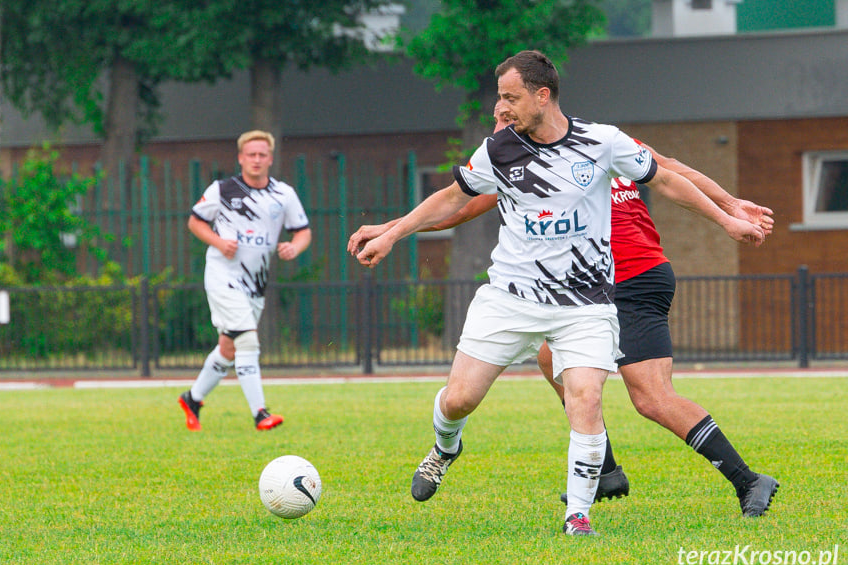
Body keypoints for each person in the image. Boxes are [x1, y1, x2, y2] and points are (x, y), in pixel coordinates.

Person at [352, 50, 765, 536]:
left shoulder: (603, 142)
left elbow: (668, 173)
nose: (498, 110)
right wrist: (393, 232)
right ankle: (450, 447)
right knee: (464, 398)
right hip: (511, 298)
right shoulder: (499, 151)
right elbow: (454, 200)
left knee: (595, 396)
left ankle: (580, 514)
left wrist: (727, 216)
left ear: (541, 96)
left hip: (594, 297)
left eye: (509, 98)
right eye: (497, 99)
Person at [178, 130, 312, 431]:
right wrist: (217, 242)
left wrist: (295, 247)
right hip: (222, 275)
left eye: (262, 154)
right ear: (240, 158)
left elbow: (302, 231)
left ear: (270, 159)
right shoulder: (222, 190)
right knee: (248, 339)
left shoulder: (283, 194)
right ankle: (260, 413)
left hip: (256, 283)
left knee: (228, 347)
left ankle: (193, 399)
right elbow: (195, 221)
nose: (256, 160)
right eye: (250, 154)